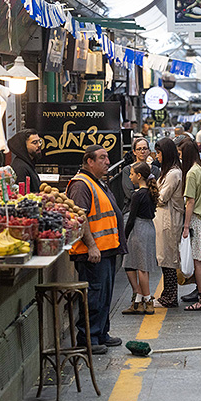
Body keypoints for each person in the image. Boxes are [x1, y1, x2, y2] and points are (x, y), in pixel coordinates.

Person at [66, 145, 127, 355]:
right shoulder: (81, 185)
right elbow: (79, 218)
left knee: (104, 295)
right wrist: (91, 245)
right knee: (94, 295)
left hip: (106, 249)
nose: (108, 162)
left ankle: (101, 333)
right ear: (89, 161)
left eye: (108, 157)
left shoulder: (96, 182)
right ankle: (88, 338)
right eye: (102, 158)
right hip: (92, 252)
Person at [179, 139, 201, 311]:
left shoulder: (192, 173)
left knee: (198, 262)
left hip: (197, 220)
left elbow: (190, 201)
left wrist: (185, 226)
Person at [122, 162, 159, 315]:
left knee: (140, 267)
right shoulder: (150, 192)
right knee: (134, 264)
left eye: (131, 174)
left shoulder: (137, 194)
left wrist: (124, 235)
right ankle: (137, 301)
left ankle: (147, 299)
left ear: (139, 176)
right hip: (149, 227)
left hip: (138, 229)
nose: (130, 177)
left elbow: (131, 218)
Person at [153, 138, 184, 308]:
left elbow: (161, 198)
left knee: (169, 259)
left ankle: (170, 297)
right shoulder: (169, 172)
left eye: (159, 153)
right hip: (165, 219)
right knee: (165, 257)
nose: (156, 156)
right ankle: (166, 294)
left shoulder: (173, 174)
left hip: (170, 219)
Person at [121, 138, 160, 215]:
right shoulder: (127, 170)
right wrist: (148, 191)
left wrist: (138, 190)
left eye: (145, 148)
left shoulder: (155, 170)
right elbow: (129, 194)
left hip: (151, 211)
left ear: (149, 151)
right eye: (139, 149)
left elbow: (157, 192)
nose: (142, 151)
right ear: (134, 152)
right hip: (131, 210)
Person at [7, 128, 42, 193]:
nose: (39, 145)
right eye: (34, 143)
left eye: (39, 141)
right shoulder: (20, 167)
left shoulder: (29, 163)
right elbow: (22, 195)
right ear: (24, 146)